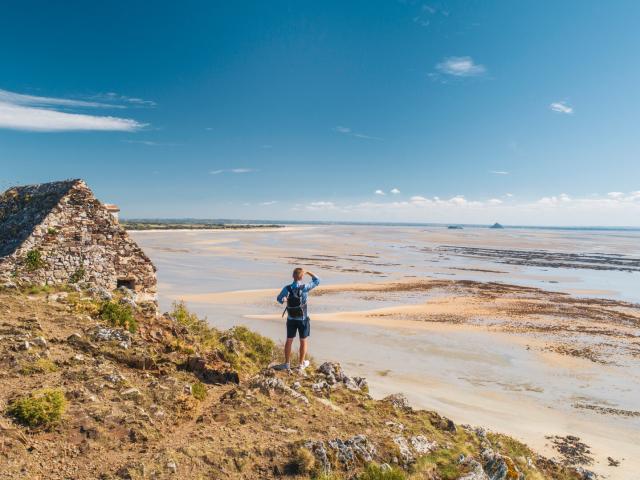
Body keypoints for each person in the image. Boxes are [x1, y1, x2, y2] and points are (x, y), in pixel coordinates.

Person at [274, 267, 320, 371]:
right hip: (302, 319)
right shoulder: (305, 287)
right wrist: (308, 272)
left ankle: (286, 364)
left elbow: (278, 298)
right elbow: (317, 280)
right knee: (303, 341)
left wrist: (284, 300)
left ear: (293, 276)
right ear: (302, 277)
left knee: (289, 340)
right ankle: (300, 365)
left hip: (291, 318)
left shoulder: (287, 288)